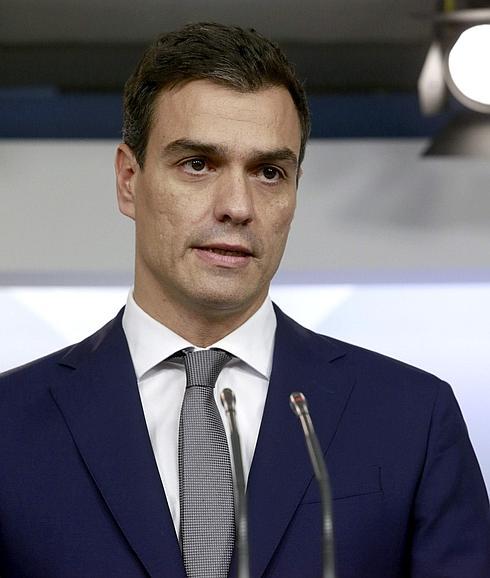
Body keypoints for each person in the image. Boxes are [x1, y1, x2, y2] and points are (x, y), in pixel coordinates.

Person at [0, 22, 489, 578]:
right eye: (198, 164)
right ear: (129, 180)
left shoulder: (412, 417)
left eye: (269, 172)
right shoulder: (10, 423)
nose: (237, 206)